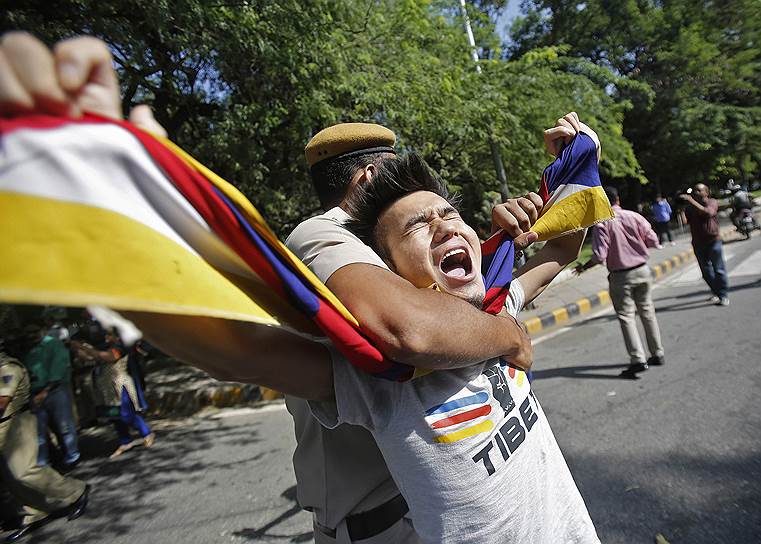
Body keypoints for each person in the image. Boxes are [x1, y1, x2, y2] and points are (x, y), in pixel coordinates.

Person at [300, 152, 599, 543]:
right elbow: (245, 357)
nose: (444, 228)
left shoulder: (494, 305)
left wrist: (575, 158)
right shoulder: (380, 377)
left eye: (451, 216)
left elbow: (561, 249)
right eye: (418, 226)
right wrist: (510, 336)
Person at [1, 341, 89, 543]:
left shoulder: (7, 367)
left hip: (16, 424)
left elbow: (2, 402)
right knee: (11, 477)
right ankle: (33, 512)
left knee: (25, 471)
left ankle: (76, 491)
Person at [576, 186, 665, 376]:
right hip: (642, 270)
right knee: (647, 312)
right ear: (618, 199)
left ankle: (637, 359)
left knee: (626, 317)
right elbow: (653, 240)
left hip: (621, 275)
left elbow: (600, 256)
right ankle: (657, 353)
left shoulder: (603, 224)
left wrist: (583, 267)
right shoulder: (635, 216)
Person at [72, 327, 154, 459]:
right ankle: (125, 441)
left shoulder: (121, 347)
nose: (106, 337)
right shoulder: (103, 347)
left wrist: (83, 347)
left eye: (109, 335)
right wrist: (76, 348)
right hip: (106, 387)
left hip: (120, 385)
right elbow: (89, 357)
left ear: (118, 336)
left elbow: (107, 357)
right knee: (113, 415)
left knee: (126, 413)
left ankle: (147, 433)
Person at [19, 321, 80, 468]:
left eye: (34, 331)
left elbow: (58, 368)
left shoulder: (53, 344)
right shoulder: (27, 349)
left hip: (55, 390)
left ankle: (72, 458)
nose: (31, 335)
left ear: (43, 330)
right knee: (39, 432)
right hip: (35, 394)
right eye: (28, 333)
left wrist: (45, 391)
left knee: (64, 426)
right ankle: (43, 465)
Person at [680, 184, 729, 306]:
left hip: (713, 242)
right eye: (695, 190)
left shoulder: (712, 202)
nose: (696, 192)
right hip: (698, 243)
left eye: (699, 190)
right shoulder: (690, 207)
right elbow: (686, 222)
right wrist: (680, 210)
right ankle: (716, 292)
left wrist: (691, 201)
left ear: (706, 192)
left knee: (719, 270)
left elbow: (708, 213)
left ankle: (723, 295)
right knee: (706, 272)